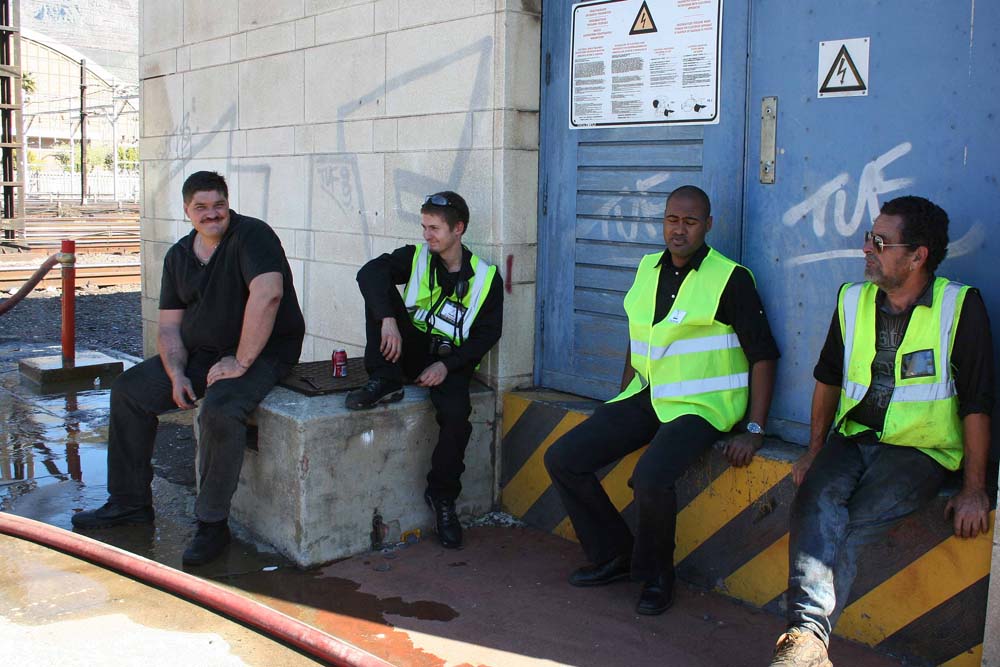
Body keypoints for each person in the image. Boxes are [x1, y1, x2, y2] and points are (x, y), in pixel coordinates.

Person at [770, 196, 994, 667]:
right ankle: (807, 641)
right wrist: (813, 450)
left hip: (921, 451)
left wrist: (976, 488)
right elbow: (828, 378)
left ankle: (805, 638)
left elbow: (979, 401)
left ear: (917, 256)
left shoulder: (960, 306)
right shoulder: (853, 299)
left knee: (849, 523)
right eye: (869, 238)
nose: (865, 248)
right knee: (814, 496)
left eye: (879, 241)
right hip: (854, 438)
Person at [544, 185, 780, 615]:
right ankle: (614, 554)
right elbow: (639, 339)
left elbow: (764, 355)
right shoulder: (647, 268)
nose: (679, 230)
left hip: (703, 406)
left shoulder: (731, 278)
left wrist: (755, 430)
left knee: (651, 478)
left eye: (690, 222)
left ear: (707, 226)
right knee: (563, 457)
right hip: (649, 395)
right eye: (673, 219)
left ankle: (656, 575)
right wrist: (620, 398)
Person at [71, 171, 305, 567]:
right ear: (187, 210)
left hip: (263, 352)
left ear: (227, 204)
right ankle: (129, 503)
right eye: (202, 207)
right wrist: (176, 374)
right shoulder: (179, 255)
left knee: (219, 409)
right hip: (203, 354)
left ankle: (212, 524)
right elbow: (168, 326)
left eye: (219, 205)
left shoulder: (252, 236)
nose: (212, 214)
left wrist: (241, 360)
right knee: (129, 390)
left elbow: (269, 294)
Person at [346, 191, 503, 549]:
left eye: (434, 228)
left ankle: (443, 498)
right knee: (378, 291)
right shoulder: (416, 257)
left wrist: (447, 366)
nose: (426, 235)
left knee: (456, 417)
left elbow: (487, 334)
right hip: (411, 348)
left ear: (458, 229)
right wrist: (388, 319)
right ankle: (384, 380)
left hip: (451, 361)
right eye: (424, 227)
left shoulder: (485, 277)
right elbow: (368, 273)